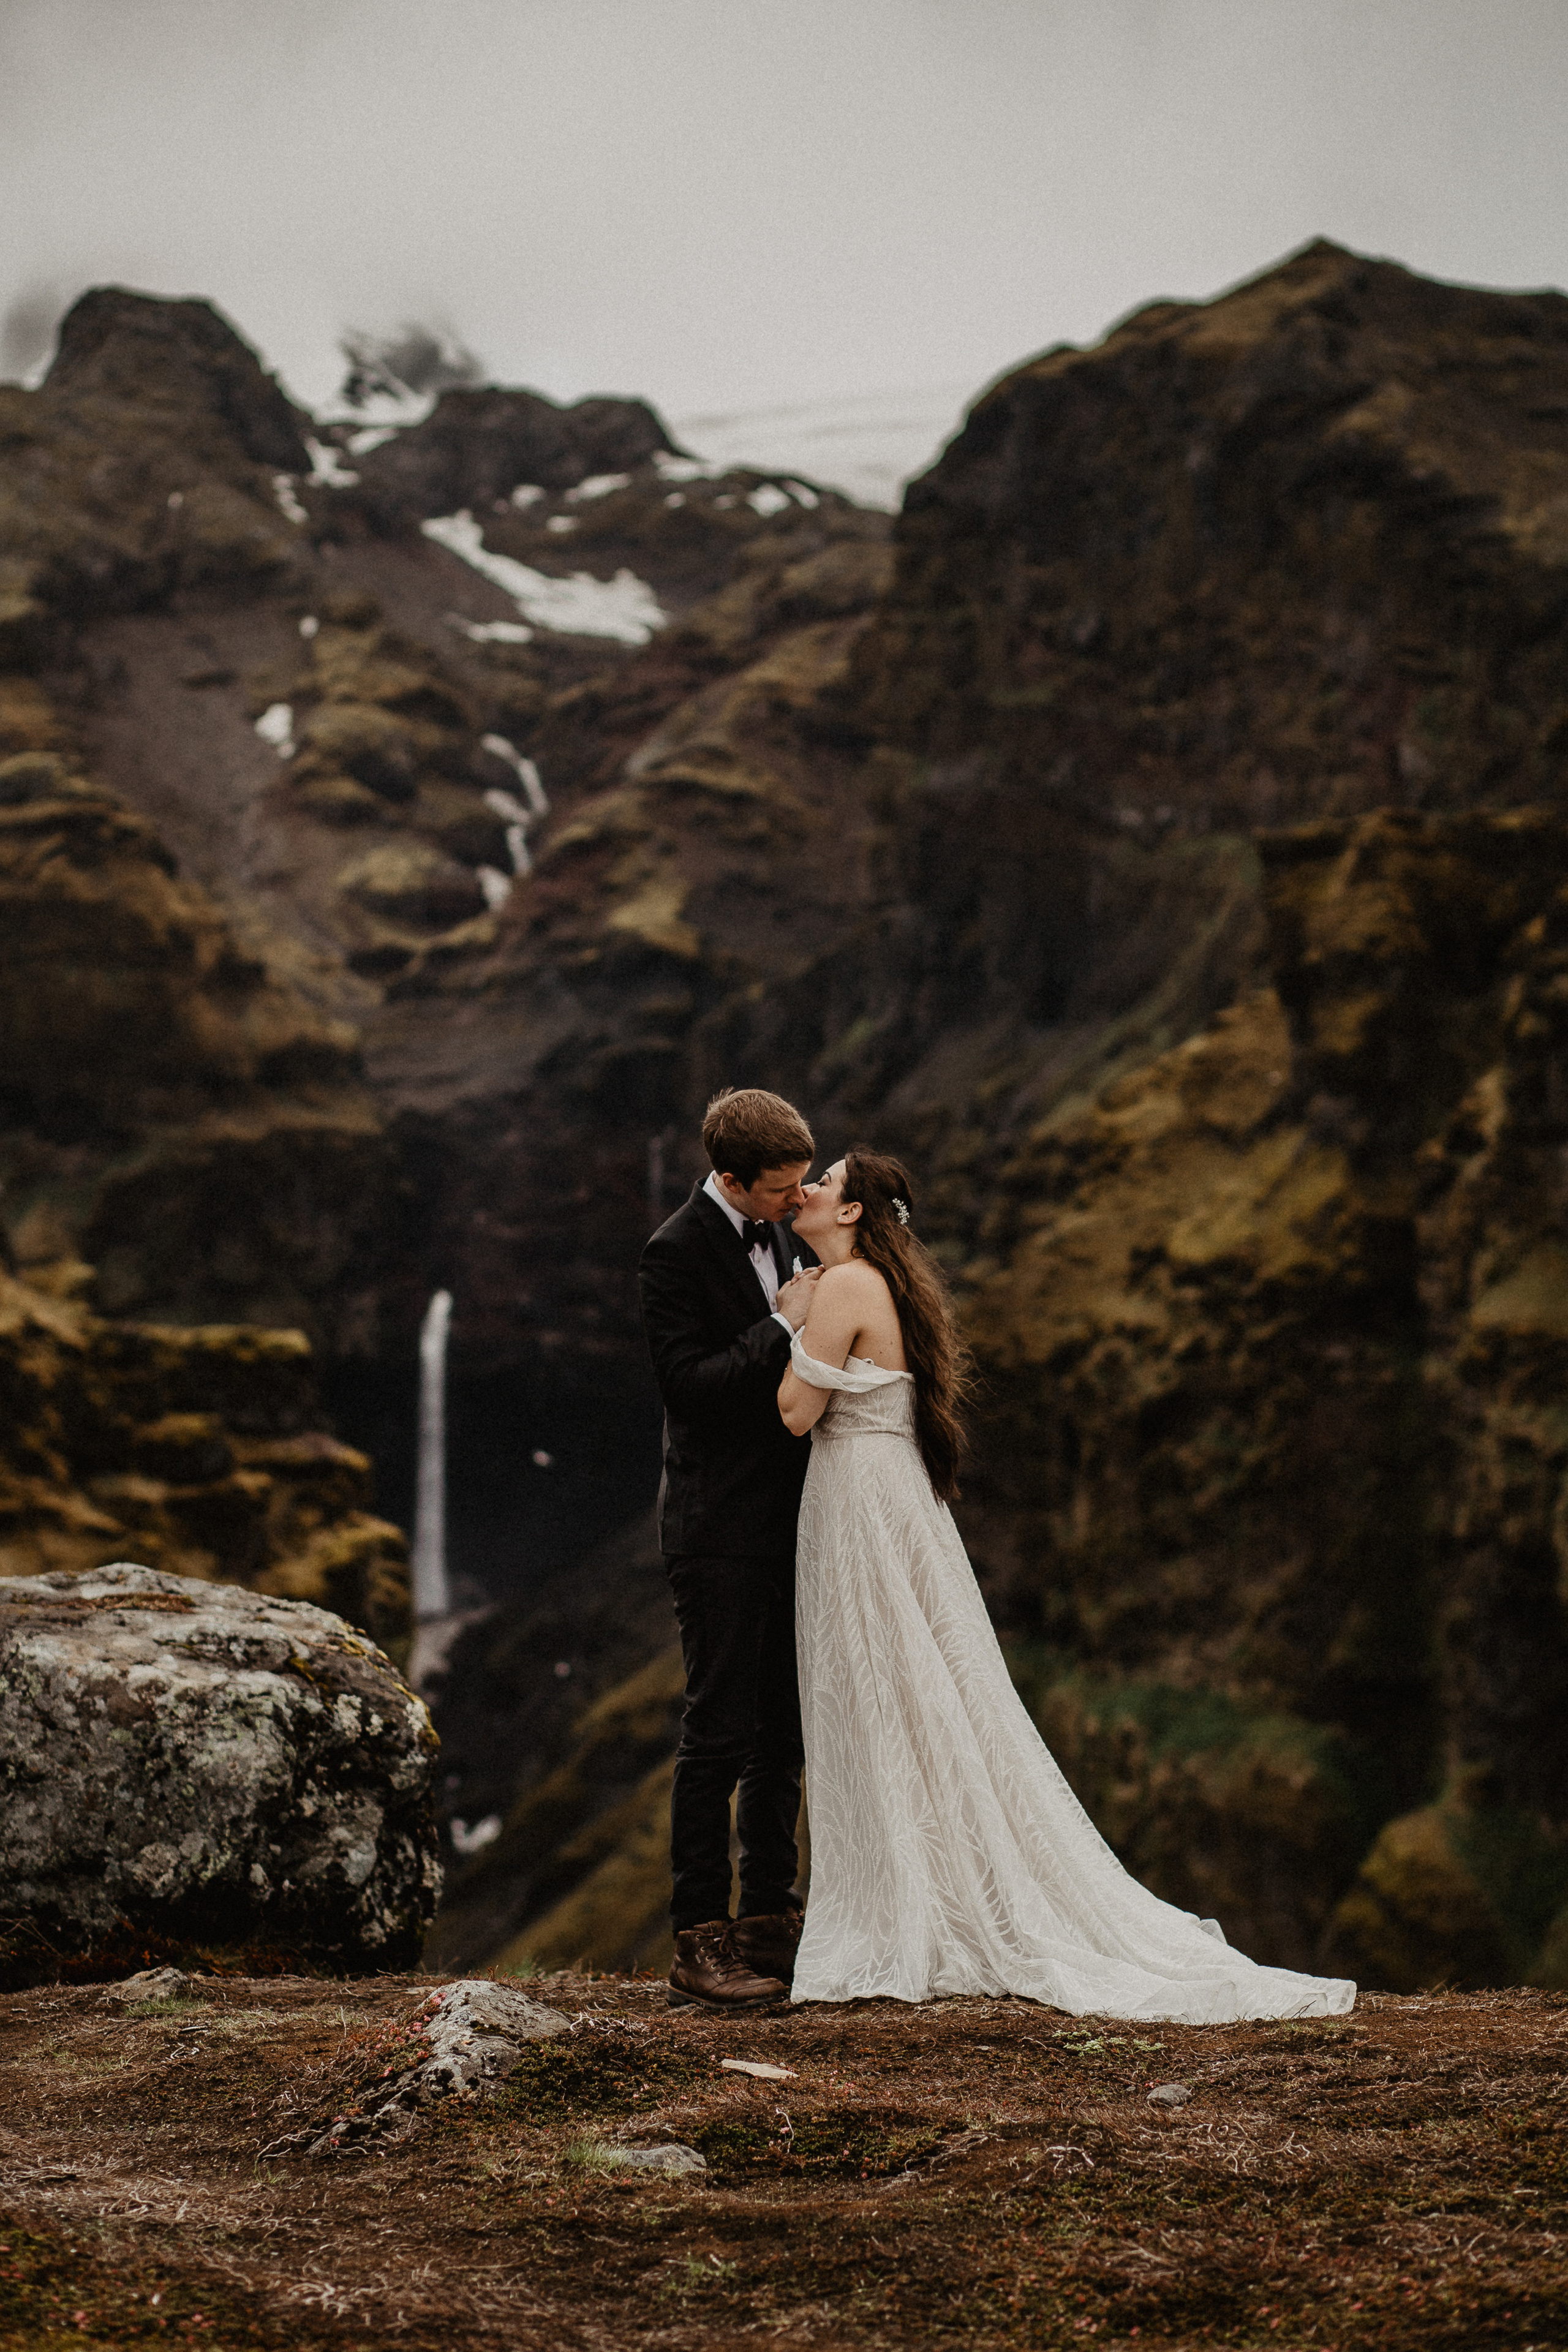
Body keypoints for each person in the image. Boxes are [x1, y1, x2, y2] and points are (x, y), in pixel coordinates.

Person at [777, 1149, 1356, 2022]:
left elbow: (795, 1411)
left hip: (861, 1503)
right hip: (882, 1498)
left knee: (879, 1685)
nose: (810, 1187)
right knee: (900, 1690)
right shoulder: (862, 1282)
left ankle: (911, 1905)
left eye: (826, 1179)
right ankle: (922, 1887)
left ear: (855, 1212)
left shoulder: (845, 1288)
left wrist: (790, 1320)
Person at [638, 1086, 822, 2009]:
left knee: (782, 1733)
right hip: (715, 1531)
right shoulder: (673, 1252)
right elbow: (693, 1387)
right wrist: (785, 1324)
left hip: (789, 1522)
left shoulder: (784, 1233)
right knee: (716, 1735)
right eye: (783, 1190)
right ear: (731, 1178)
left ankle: (769, 1920)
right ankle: (699, 1938)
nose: (799, 1201)